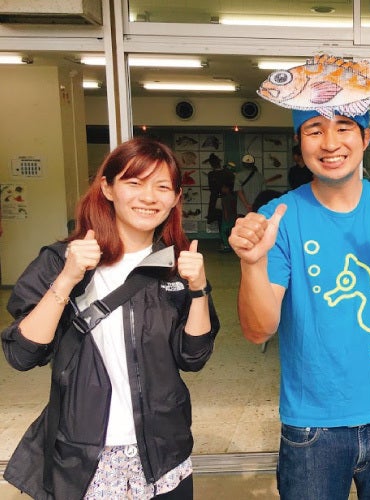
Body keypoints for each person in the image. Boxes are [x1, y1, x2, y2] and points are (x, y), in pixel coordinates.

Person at [228, 107, 370, 500]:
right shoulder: (279, 218)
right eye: (314, 130)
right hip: (313, 424)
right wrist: (252, 264)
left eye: (344, 128)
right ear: (298, 142)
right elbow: (258, 330)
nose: (330, 143)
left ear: (366, 138)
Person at [2, 137, 220, 499]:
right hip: (85, 453)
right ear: (107, 188)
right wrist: (67, 279)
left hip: (163, 450)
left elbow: (193, 357)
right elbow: (22, 354)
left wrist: (198, 289)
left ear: (176, 198)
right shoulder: (62, 260)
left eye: (162, 187)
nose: (148, 197)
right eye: (134, 182)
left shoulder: (175, 265)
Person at [203, 152, 234, 226]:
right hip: (226, 198)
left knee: (216, 219)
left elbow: (211, 188)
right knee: (227, 219)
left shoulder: (211, 174)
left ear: (211, 164)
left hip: (215, 199)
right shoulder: (227, 173)